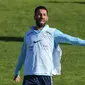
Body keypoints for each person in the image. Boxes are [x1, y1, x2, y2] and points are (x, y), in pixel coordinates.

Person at [13, 6, 85, 85]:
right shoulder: (28, 34)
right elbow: (23, 54)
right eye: (39, 14)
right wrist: (17, 71)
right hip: (29, 76)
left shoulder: (53, 33)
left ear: (47, 18)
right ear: (34, 17)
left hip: (45, 75)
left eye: (44, 15)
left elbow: (71, 40)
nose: (42, 17)